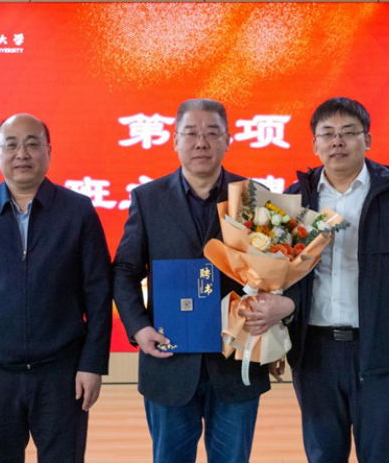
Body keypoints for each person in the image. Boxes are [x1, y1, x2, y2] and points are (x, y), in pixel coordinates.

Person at [113, 99, 296, 463]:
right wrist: (138, 327)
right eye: (191, 133)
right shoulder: (148, 199)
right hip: (169, 361)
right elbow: (124, 271)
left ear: (228, 140)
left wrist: (277, 326)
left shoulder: (255, 196)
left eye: (212, 133)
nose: (201, 142)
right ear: (175, 140)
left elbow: (283, 272)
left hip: (236, 364)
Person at [0, 114, 113, 463]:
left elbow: (98, 296)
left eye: (33, 144)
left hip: (61, 373)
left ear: (49, 151)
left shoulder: (78, 211)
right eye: (12, 145)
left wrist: (92, 364)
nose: (22, 153)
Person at [286, 98, 389, 463]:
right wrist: (277, 343)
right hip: (315, 352)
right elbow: (278, 277)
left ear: (367, 140)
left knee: (381, 453)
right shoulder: (295, 199)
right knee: (323, 454)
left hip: (381, 351)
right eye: (327, 133)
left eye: (348, 132)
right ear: (315, 144)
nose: (337, 141)